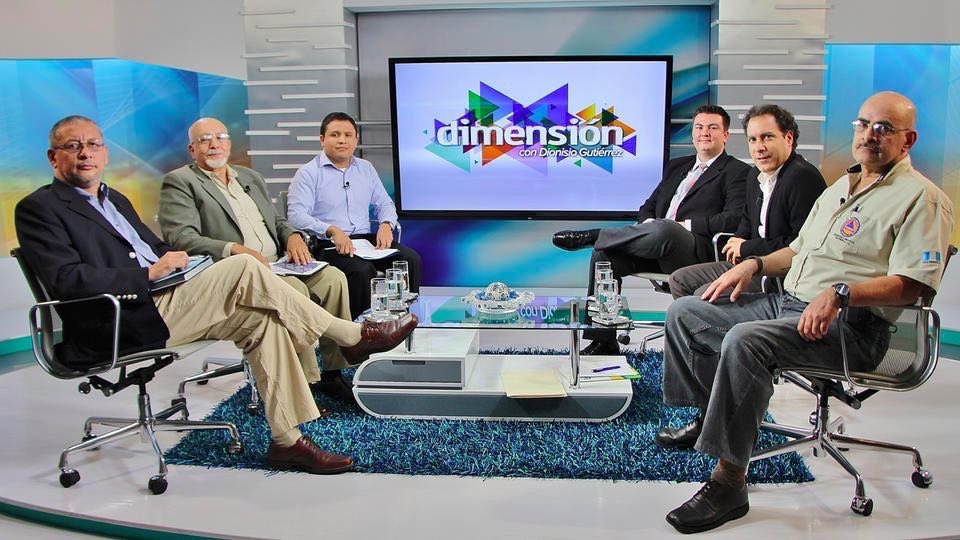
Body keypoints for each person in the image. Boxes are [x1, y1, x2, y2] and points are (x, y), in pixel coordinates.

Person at [15, 115, 419, 475]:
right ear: (53, 158)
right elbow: (66, 280)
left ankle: (287, 441)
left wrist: (177, 264)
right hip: (120, 319)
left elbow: (157, 248)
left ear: (104, 153)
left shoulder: (114, 198)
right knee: (244, 265)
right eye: (73, 146)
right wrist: (148, 273)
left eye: (93, 144)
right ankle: (351, 336)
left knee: (263, 321)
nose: (85, 153)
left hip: (167, 297)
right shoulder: (40, 208)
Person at [657, 92, 953, 534]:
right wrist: (753, 265)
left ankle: (729, 482)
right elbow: (796, 250)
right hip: (790, 302)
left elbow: (913, 284)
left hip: (851, 327)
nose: (869, 135)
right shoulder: (840, 189)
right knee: (687, 312)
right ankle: (709, 422)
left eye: (883, 128)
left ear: (907, 140)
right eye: (863, 124)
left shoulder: (922, 199)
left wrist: (840, 294)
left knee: (746, 340)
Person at [158, 117, 357, 403]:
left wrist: (292, 236)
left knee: (333, 279)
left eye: (220, 137)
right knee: (294, 290)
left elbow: (276, 221)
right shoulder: (181, 182)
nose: (214, 144)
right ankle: (304, 384)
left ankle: (334, 372)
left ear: (229, 143)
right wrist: (234, 249)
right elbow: (181, 237)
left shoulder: (249, 177)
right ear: (192, 149)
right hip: (238, 274)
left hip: (278, 263)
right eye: (205, 139)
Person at [552, 104, 751, 355]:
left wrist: (682, 226)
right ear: (693, 133)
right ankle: (604, 340)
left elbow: (732, 219)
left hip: (695, 253)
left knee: (667, 229)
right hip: (656, 243)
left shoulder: (738, 172)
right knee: (605, 255)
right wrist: (648, 226)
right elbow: (648, 207)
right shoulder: (676, 166)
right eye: (699, 127)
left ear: (725, 135)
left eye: (712, 128)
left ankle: (594, 236)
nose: (704, 133)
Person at [668, 104, 826, 299]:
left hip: (778, 275)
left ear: (788, 138)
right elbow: (746, 222)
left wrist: (745, 248)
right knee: (680, 279)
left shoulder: (801, 177)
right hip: (749, 262)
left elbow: (798, 244)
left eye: (767, 137)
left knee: (704, 295)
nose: (759, 147)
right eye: (753, 139)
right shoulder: (755, 175)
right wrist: (737, 241)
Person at [286, 111, 422, 320]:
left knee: (410, 259)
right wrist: (331, 230)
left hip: (365, 242)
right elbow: (296, 215)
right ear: (322, 139)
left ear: (356, 140)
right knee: (361, 271)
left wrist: (386, 224)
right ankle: (358, 331)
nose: (342, 140)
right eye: (335, 135)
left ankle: (404, 320)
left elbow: (384, 203)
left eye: (348, 135)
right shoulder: (308, 173)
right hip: (328, 244)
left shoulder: (365, 168)